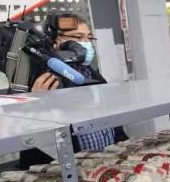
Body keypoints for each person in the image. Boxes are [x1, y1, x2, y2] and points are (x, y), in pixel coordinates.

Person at [21, 15, 127, 168]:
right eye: (78, 37)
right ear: (56, 42)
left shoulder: (94, 76)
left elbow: (114, 126)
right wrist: (36, 106)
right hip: (67, 171)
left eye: (89, 38)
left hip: (104, 167)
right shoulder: (43, 80)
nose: (86, 43)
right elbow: (33, 142)